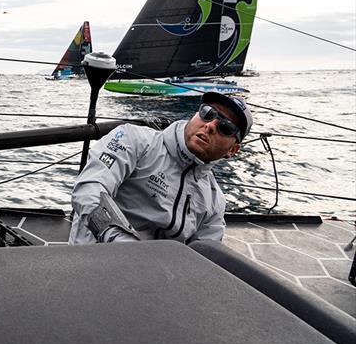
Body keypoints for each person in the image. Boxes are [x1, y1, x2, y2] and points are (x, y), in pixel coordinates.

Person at [69, 92, 252, 244]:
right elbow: (90, 189)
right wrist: (121, 242)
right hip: (94, 261)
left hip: (157, 279)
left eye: (225, 127)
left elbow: (206, 253)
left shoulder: (214, 201)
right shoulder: (134, 139)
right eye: (207, 113)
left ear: (233, 150)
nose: (211, 125)